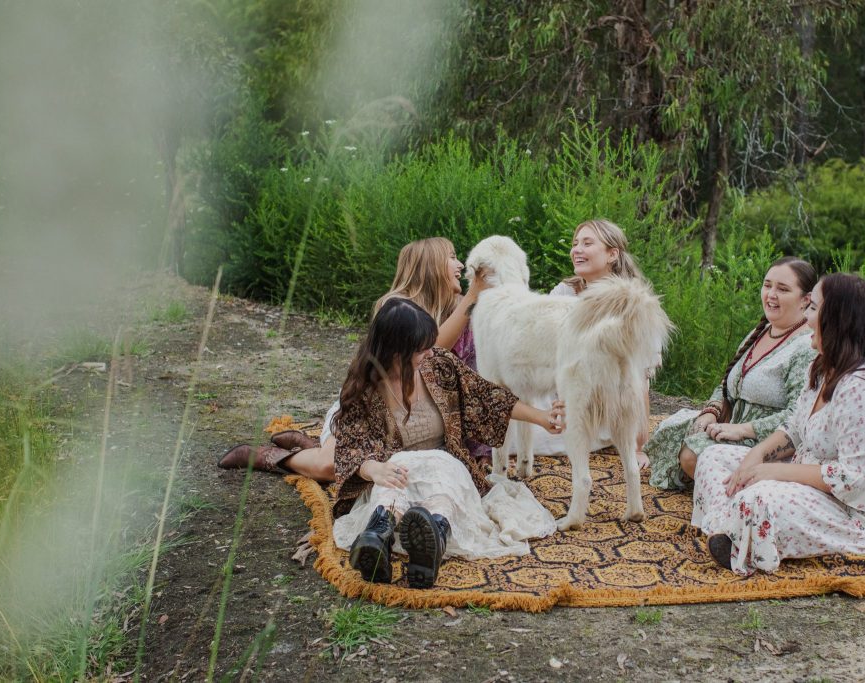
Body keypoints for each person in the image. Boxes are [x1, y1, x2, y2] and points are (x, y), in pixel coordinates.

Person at [308, 298, 563, 588]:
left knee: (442, 467)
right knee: (396, 469)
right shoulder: (364, 388)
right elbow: (352, 446)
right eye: (420, 348)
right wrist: (373, 470)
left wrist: (541, 418)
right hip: (394, 475)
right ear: (395, 350)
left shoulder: (439, 365)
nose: (429, 352)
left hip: (446, 469)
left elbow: (486, 396)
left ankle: (431, 538)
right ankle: (378, 536)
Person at [692, 273, 865, 575]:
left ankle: (740, 533)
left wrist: (773, 472)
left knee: (758, 498)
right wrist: (754, 458)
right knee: (714, 457)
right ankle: (731, 529)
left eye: (813, 308)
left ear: (837, 319)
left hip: (854, 511)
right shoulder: (822, 364)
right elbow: (794, 428)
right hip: (807, 475)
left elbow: (854, 479)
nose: (806, 318)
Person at [219, 237, 489, 480]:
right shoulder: (394, 306)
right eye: (451, 256)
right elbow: (432, 353)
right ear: (428, 264)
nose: (460, 264)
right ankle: (260, 456)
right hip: (372, 410)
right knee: (330, 467)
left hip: (421, 425)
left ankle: (311, 445)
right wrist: (472, 296)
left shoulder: (461, 309)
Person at [644, 257, 818, 490]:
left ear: (805, 300)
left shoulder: (806, 346)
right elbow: (729, 382)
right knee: (670, 429)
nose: (771, 295)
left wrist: (743, 429)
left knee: (691, 455)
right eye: (767, 286)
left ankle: (733, 494)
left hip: (769, 440)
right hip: (731, 423)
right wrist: (711, 411)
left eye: (783, 289)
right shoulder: (762, 331)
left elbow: (799, 415)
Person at [540, 219, 652, 466]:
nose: (577, 249)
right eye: (575, 243)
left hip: (603, 408)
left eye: (587, 243)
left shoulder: (630, 303)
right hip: (560, 394)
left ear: (613, 254)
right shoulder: (565, 293)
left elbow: (638, 378)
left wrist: (637, 445)